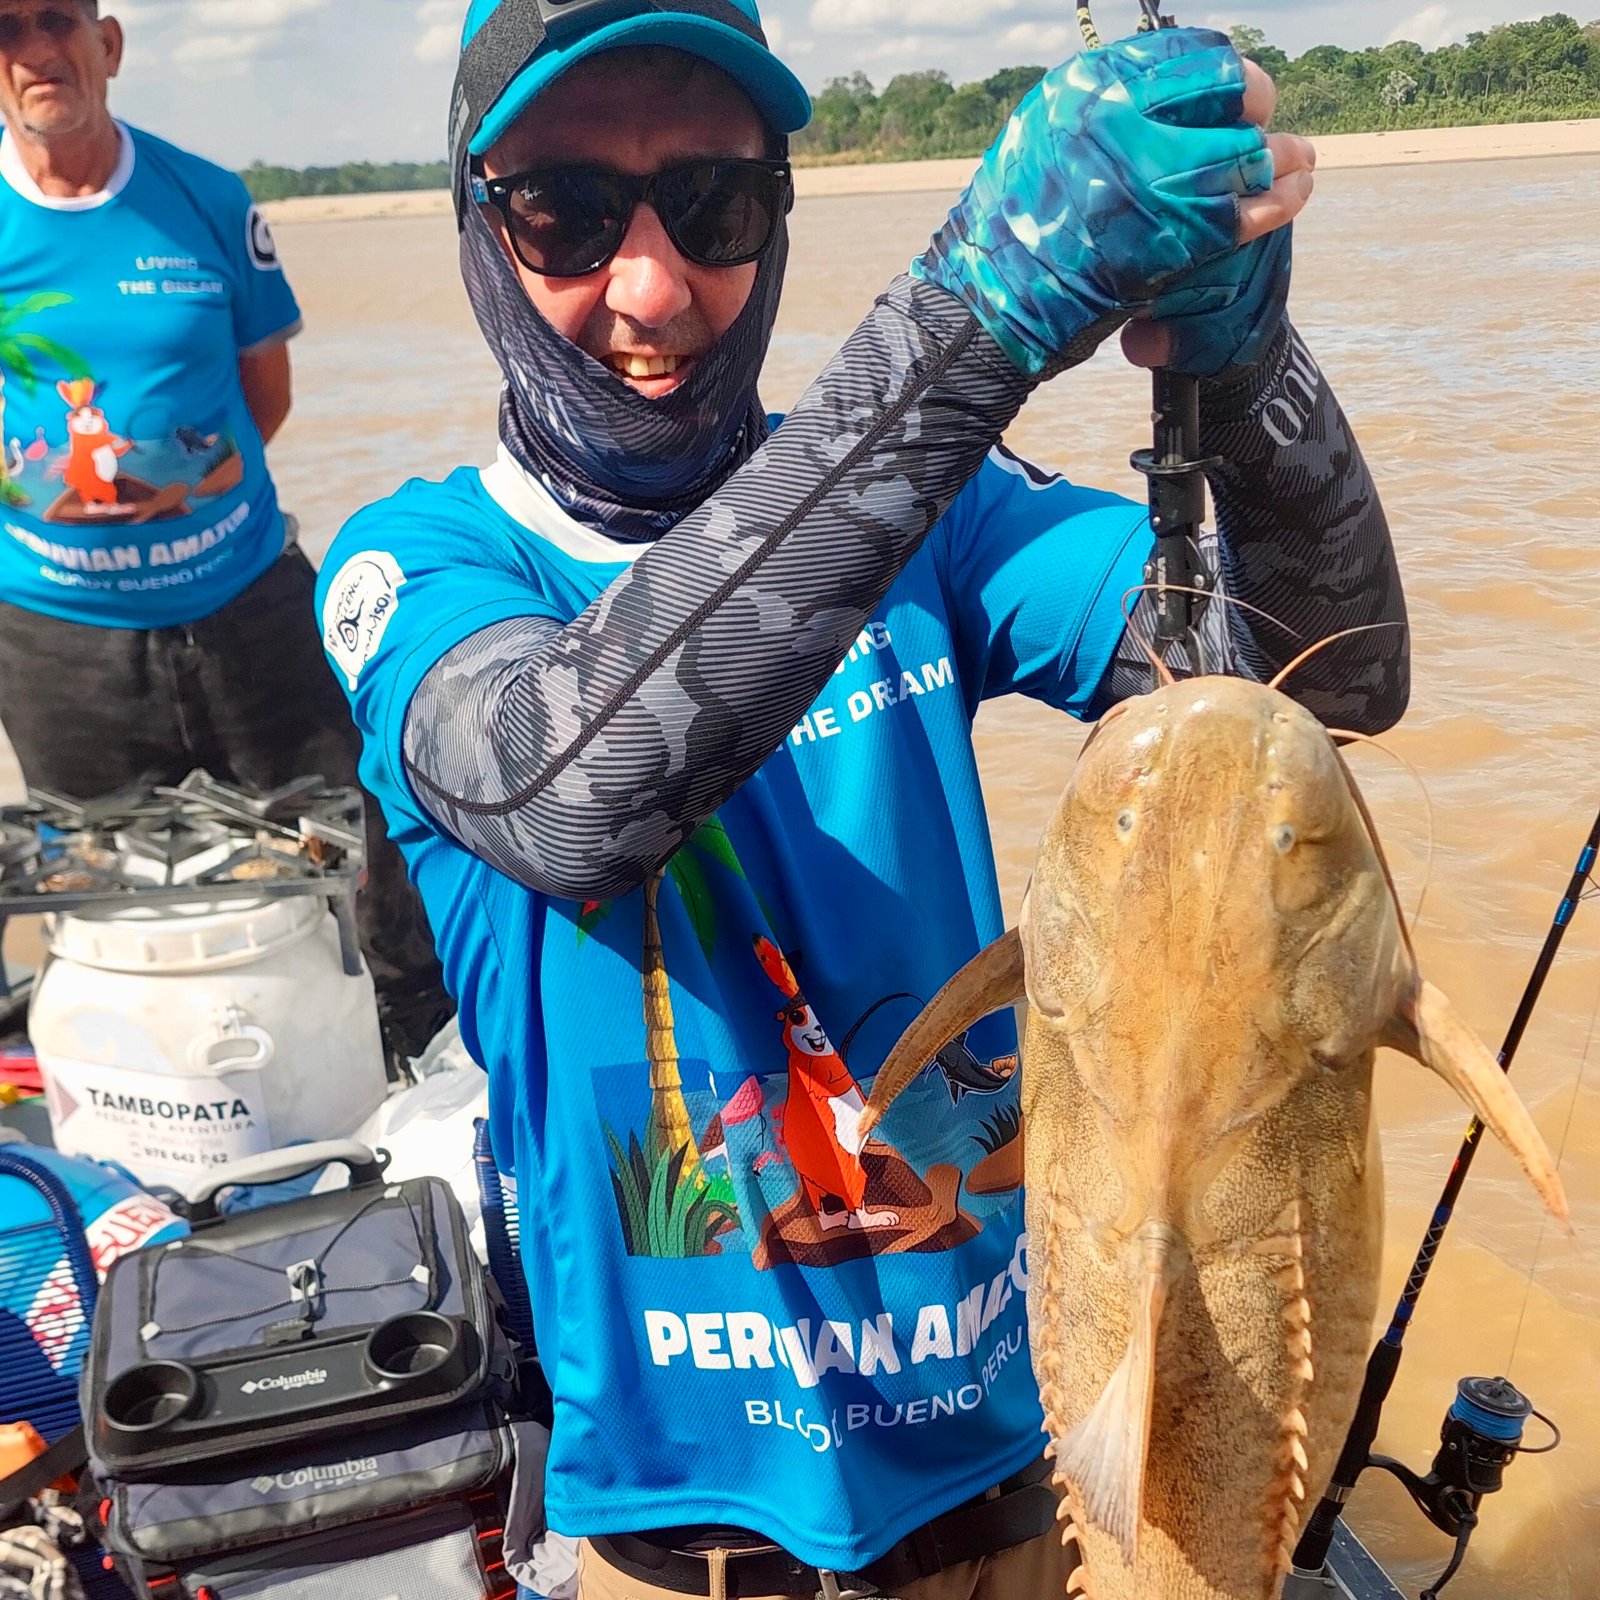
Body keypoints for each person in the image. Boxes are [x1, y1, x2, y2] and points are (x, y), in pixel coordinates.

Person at [319, 3, 1410, 1596]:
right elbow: (574, 790)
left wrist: (1249, 388)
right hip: (683, 1532)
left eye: (714, 206)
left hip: (1031, 1463)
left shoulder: (943, 521)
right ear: (481, 224)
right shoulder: (418, 566)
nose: (652, 286)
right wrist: (975, 316)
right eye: (565, 209)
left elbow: (1313, 692)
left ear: (774, 211)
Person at [0, 0, 450, 1064]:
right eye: (6, 28)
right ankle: (146, 1084)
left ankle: (415, 1050)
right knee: (107, 893)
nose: (35, 51)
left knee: (354, 843)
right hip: (56, 642)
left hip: (246, 608)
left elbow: (265, 396)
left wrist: (174, 511)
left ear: (107, 46)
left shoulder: (206, 200)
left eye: (57, 19)